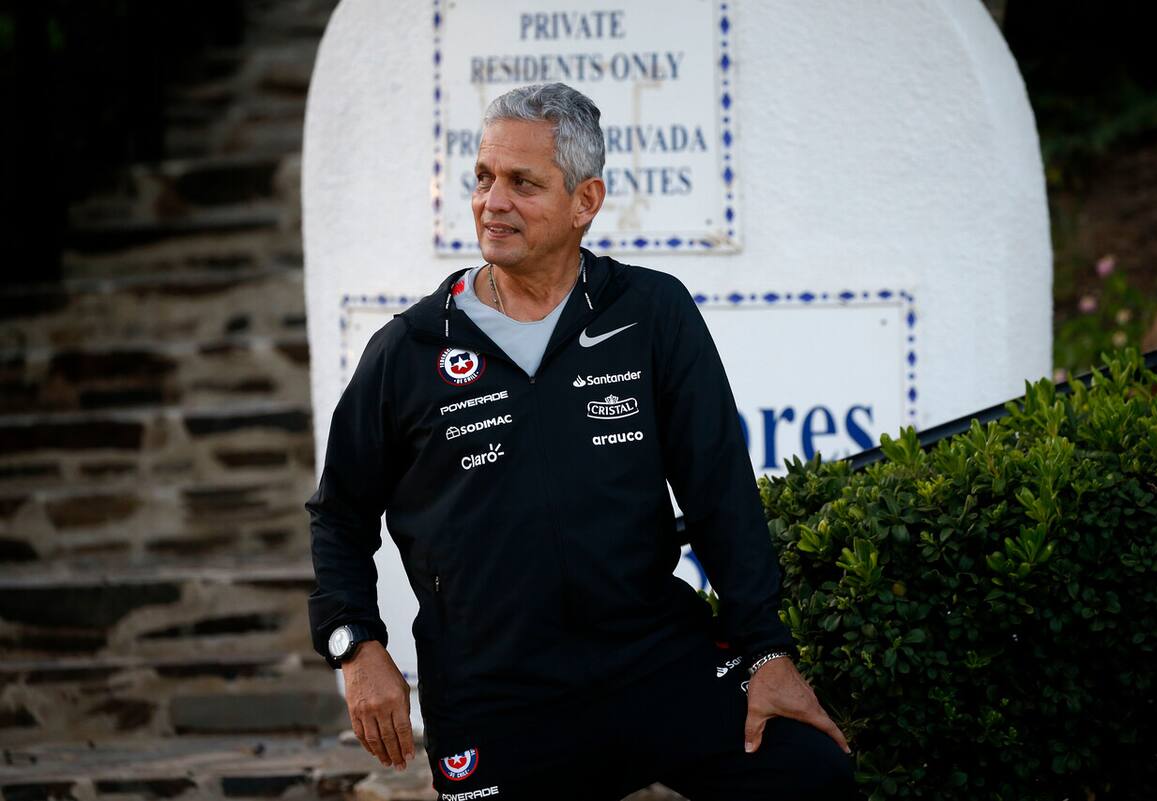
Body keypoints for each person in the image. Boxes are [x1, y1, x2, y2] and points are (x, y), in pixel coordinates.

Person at [306, 82, 855, 800]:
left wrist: (768, 651)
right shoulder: (407, 349)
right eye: (483, 177)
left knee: (810, 772)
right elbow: (339, 516)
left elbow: (719, 492)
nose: (492, 202)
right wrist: (355, 643)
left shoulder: (651, 311)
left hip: (653, 659)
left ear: (585, 201)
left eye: (523, 183)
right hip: (494, 693)